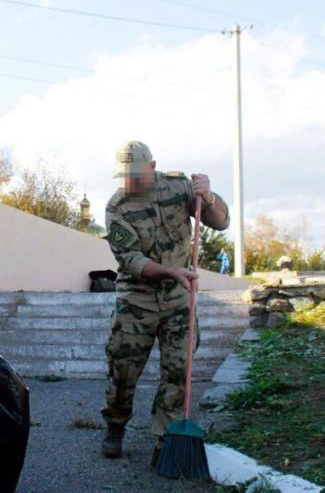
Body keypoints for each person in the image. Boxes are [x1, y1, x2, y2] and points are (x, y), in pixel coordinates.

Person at [100, 141, 230, 466]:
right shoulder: (116, 207)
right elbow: (130, 259)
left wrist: (209, 196)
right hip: (137, 301)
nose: (129, 182)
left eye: (136, 175)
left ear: (152, 166)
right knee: (123, 371)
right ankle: (116, 424)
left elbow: (221, 221)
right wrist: (171, 271)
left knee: (178, 372)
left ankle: (166, 441)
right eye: (124, 176)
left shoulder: (179, 188)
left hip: (178, 300)